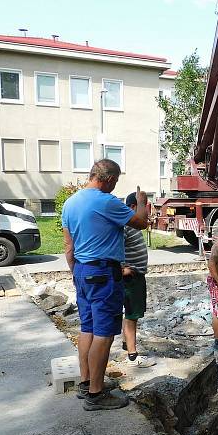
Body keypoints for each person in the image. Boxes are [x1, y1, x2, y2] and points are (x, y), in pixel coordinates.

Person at [62, 159, 149, 410]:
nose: (115, 186)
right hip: (103, 274)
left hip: (81, 270)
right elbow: (141, 222)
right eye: (116, 181)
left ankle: (86, 382)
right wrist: (141, 201)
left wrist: (77, 273)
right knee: (104, 333)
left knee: (87, 328)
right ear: (109, 179)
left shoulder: (70, 203)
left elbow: (69, 247)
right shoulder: (105, 201)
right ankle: (96, 395)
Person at [121, 191, 156, 368]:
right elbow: (116, 247)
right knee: (132, 314)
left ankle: (126, 344)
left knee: (130, 313)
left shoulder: (133, 224)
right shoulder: (127, 224)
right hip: (131, 277)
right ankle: (133, 356)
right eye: (144, 208)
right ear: (134, 207)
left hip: (136, 275)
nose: (146, 213)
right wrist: (122, 268)